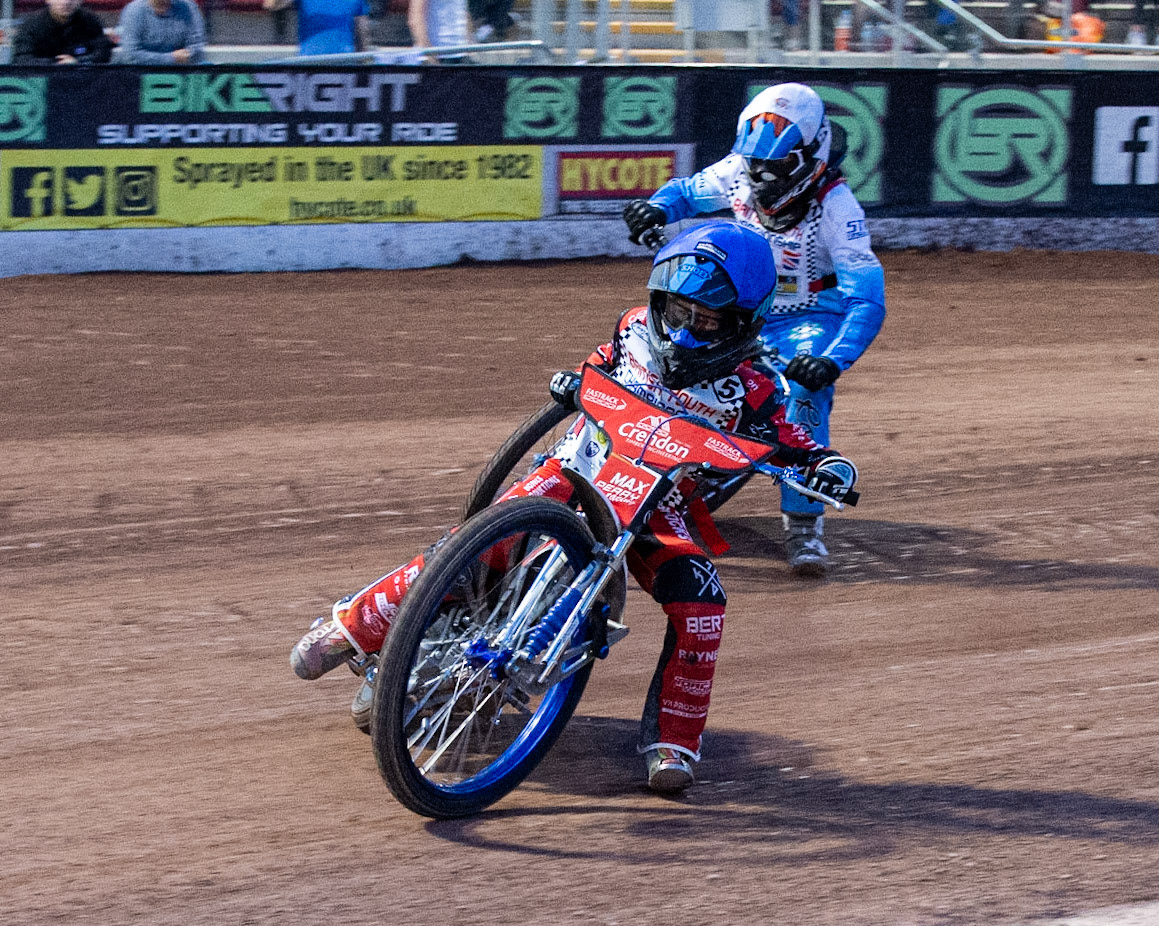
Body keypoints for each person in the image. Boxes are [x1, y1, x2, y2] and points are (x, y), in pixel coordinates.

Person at [290, 221, 858, 794]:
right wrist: (574, 381)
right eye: (678, 310)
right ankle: (349, 628)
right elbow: (601, 363)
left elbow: (796, 440)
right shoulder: (634, 329)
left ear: (743, 323)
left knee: (703, 605)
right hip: (575, 468)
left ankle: (675, 743)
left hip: (655, 506)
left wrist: (827, 467)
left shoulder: (757, 390)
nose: (686, 330)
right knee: (478, 544)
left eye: (707, 321)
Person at [622, 82, 886, 578]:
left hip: (809, 318)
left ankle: (803, 522)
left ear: (810, 157)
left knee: (803, 394)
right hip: (743, 309)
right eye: (755, 163)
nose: (761, 177)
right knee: (669, 347)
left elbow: (867, 296)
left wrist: (831, 360)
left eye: (776, 165)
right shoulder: (737, 171)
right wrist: (656, 207)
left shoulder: (838, 208)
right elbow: (686, 193)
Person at [11, 0, 114, 64]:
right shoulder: (32, 25)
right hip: (42, 82)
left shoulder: (90, 21)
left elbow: (103, 53)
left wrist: (78, 61)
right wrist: (56, 63)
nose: (66, 2)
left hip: (81, 80)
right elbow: (21, 58)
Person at [263, 0, 370, 56]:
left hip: (344, 62)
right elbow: (271, 5)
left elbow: (362, 32)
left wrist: (363, 63)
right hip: (310, 63)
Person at [115, 0, 206, 64]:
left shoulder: (189, 8)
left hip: (179, 72)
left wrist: (187, 55)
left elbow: (196, 47)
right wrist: (171, 58)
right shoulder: (134, 11)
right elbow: (130, 55)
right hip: (140, 75)